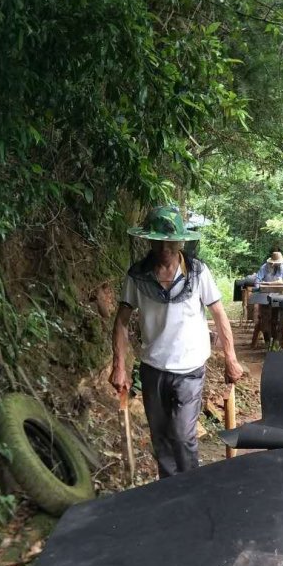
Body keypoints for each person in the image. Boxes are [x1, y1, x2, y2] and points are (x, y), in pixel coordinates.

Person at [109, 204, 243, 478]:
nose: (165, 250)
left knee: (183, 436)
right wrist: (119, 365)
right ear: (148, 241)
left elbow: (219, 314)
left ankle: (192, 490)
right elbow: (121, 321)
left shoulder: (197, 272)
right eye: (158, 243)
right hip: (153, 368)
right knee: (161, 439)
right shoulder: (137, 276)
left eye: (170, 243)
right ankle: (170, 494)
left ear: (181, 241)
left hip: (190, 369)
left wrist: (231, 358)